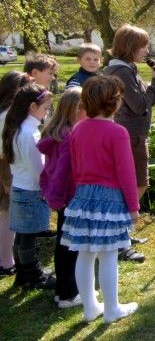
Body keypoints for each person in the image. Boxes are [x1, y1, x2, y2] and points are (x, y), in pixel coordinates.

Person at [61, 76, 140, 322]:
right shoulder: (117, 132)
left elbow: (75, 166)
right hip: (110, 199)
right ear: (114, 103)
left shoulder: (78, 129)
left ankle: (89, 308)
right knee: (108, 255)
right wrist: (133, 206)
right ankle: (112, 308)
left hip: (83, 196)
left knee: (84, 254)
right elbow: (126, 172)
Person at [105, 24, 155, 262]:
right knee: (136, 185)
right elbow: (140, 105)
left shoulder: (128, 69)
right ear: (131, 47)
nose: (147, 50)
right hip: (130, 136)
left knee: (137, 184)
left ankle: (122, 233)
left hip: (134, 134)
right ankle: (120, 237)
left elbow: (145, 101)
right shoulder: (121, 72)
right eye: (143, 45)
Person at [3, 83, 54, 289]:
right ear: (33, 106)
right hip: (31, 190)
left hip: (19, 187)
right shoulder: (28, 134)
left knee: (22, 234)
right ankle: (33, 275)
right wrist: (49, 186)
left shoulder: (17, 128)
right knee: (29, 236)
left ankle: (23, 275)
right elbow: (38, 168)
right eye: (45, 108)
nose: (47, 112)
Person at [38, 87, 82, 307]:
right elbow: (62, 171)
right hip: (69, 197)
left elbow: (47, 170)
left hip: (61, 198)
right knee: (71, 247)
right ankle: (68, 293)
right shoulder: (69, 136)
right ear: (75, 109)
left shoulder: (57, 132)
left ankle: (62, 290)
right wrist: (56, 196)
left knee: (63, 244)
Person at [0, 71, 31, 277]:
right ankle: (5, 261)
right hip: (6, 164)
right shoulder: (8, 114)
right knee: (8, 211)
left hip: (7, 161)